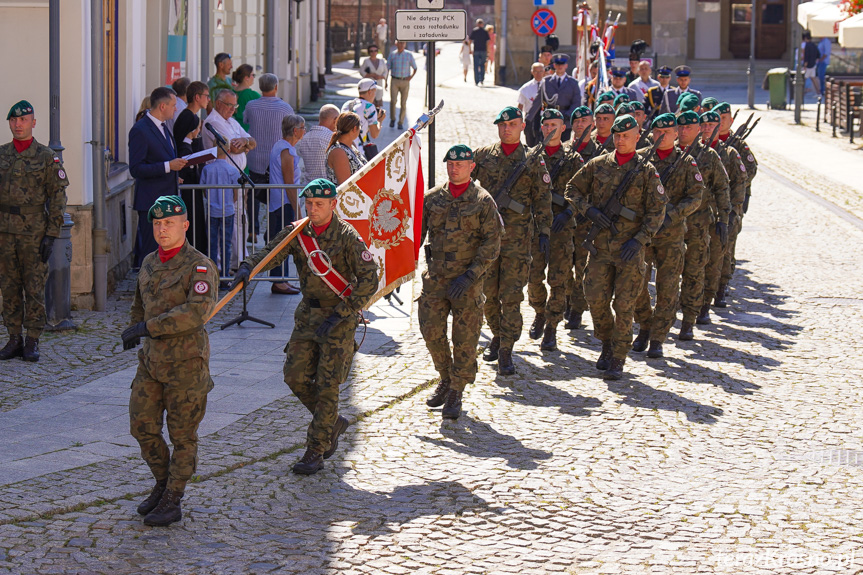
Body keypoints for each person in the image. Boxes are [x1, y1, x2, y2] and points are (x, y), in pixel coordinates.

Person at [231, 178, 378, 475]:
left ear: (333, 205)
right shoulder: (298, 233)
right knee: (294, 377)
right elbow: (271, 254)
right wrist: (248, 266)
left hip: (338, 320)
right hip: (307, 316)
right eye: (308, 204)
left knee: (327, 387)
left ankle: (316, 448)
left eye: (319, 204)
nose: (312, 209)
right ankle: (333, 422)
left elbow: (370, 280)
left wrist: (343, 312)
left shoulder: (348, 237)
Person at [121, 195, 219, 527]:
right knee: (142, 426)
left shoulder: (201, 266)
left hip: (186, 364)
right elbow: (140, 304)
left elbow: (195, 313)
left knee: (182, 435)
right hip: (150, 361)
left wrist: (147, 327)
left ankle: (173, 497)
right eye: (158, 224)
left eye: (170, 224)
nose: (163, 230)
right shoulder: (148, 262)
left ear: (185, 225)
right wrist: (135, 329)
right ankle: (163, 483)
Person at [564, 114, 665, 380]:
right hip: (599, 247)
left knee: (624, 305)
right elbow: (571, 189)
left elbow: (657, 211)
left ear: (637, 136)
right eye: (617, 136)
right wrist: (589, 210)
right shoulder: (598, 165)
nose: (620, 140)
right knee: (595, 299)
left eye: (626, 136)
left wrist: (640, 239)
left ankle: (618, 356)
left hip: (629, 250)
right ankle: (606, 342)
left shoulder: (646, 171)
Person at [420, 144, 502, 419]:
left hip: (467, 281)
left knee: (465, 340)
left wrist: (471, 275)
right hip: (436, 278)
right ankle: (445, 377)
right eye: (450, 164)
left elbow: (492, 243)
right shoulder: (432, 198)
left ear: (471, 167)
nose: (454, 169)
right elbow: (415, 236)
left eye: (460, 164)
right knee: (431, 331)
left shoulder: (482, 200)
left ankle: (456, 390)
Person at [472, 106, 552, 375]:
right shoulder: (483, 156)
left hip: (518, 239)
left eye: (512, 124)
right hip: (487, 239)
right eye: (502, 125)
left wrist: (544, 232)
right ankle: (496, 334)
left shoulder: (532, 159)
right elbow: (464, 186)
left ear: (521, 127)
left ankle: (506, 349)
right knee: (489, 297)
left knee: (512, 297)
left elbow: (542, 198)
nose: (506, 129)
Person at [0, 100, 69, 362]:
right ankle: (14, 337)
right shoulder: (2, 154)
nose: (18, 125)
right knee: (8, 286)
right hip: (5, 233)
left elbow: (58, 197)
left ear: (33, 123)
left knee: (34, 287)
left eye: (24, 120)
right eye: (14, 121)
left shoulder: (46, 157)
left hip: (34, 234)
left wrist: (52, 234)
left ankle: (32, 340)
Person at [631, 113, 704, 358]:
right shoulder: (639, 159)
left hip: (671, 235)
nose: (662, 136)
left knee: (668, 287)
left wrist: (671, 214)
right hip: (642, 233)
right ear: (652, 134)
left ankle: (658, 337)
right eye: (657, 132)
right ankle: (644, 324)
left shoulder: (686, 162)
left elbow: (695, 197)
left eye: (668, 132)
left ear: (676, 134)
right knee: (637, 284)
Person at [526, 109, 585, 351]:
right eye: (546, 124)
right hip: (536, 226)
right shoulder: (531, 157)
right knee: (533, 277)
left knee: (559, 280)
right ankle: (540, 311)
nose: (550, 128)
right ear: (541, 128)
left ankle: (551, 326)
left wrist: (569, 212)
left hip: (561, 228)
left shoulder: (574, 159)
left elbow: (584, 193)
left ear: (563, 128)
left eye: (555, 124)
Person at [675, 110, 730, 341]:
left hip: (699, 225)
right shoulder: (667, 153)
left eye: (690, 127)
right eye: (681, 127)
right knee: (667, 276)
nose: (684, 131)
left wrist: (725, 220)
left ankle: (690, 318)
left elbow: (722, 188)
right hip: (670, 225)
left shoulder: (709, 156)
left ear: (698, 130)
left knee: (695, 272)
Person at [698, 110, 746, 327]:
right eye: (704, 125)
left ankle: (709, 299)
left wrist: (733, 212)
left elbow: (740, 182)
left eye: (712, 125)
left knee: (716, 259)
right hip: (695, 217)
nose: (707, 128)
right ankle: (692, 300)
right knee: (693, 262)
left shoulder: (729, 154)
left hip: (720, 215)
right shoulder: (691, 152)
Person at [129, 87, 187, 267]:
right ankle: (147, 292)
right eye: (172, 105)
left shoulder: (163, 126)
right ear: (162, 106)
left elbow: (162, 157)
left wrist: (174, 172)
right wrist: (169, 166)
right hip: (151, 203)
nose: (175, 109)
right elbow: (136, 168)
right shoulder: (141, 129)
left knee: (166, 252)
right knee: (150, 253)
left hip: (167, 199)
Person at [203, 89, 257, 269]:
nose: (233, 109)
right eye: (230, 105)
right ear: (218, 104)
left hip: (237, 176)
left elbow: (253, 142)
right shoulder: (212, 122)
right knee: (229, 221)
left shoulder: (232, 121)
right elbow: (229, 149)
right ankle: (229, 262)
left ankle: (241, 257)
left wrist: (245, 142)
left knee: (241, 218)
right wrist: (245, 145)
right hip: (223, 178)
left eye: (235, 106)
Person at [714, 101, 756, 309]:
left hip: (731, 203)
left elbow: (750, 169)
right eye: (717, 119)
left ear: (730, 120)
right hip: (708, 206)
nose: (721, 122)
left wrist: (734, 190)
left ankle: (722, 285)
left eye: (724, 118)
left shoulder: (737, 145)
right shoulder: (703, 143)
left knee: (726, 247)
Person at [244, 73, 295, 241]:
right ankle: (270, 232)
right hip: (275, 158)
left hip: (254, 157)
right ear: (276, 87)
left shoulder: (251, 105)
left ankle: (253, 229)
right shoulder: (285, 108)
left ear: (260, 87)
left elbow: (245, 120)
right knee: (274, 196)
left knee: (253, 193)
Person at [565, 106, 597, 330]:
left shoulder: (600, 153)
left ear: (592, 124)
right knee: (563, 264)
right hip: (564, 219)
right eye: (576, 121)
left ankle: (577, 308)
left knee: (581, 266)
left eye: (584, 121)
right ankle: (566, 301)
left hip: (587, 219)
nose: (579, 124)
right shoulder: (564, 151)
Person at [267, 114, 306, 295]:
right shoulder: (287, 151)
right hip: (283, 202)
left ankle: (283, 279)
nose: (304, 130)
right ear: (295, 130)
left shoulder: (281, 146)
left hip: (279, 201)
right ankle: (278, 280)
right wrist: (298, 210)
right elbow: (289, 183)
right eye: (303, 127)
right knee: (282, 242)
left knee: (284, 241)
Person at [173, 81, 209, 253]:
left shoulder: (192, 117)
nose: (209, 100)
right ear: (197, 97)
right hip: (186, 174)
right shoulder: (189, 117)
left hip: (191, 172)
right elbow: (183, 146)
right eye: (206, 96)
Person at [200, 146, 239, 286]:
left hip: (211, 210)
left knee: (212, 245)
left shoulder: (207, 170)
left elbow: (204, 191)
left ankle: (212, 275)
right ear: (228, 151)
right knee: (226, 245)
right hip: (227, 210)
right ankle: (224, 276)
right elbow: (235, 193)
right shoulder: (232, 170)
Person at [532, 53, 581, 141]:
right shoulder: (546, 82)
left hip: (565, 120)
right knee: (547, 144)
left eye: (562, 64)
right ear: (554, 65)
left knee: (563, 145)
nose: (560, 67)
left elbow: (576, 102)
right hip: (549, 118)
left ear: (566, 65)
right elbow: (537, 101)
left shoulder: (573, 83)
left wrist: (568, 115)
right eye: (558, 64)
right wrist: (529, 118)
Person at [297, 104, 339, 184]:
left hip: (309, 188)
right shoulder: (332, 138)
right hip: (327, 189)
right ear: (335, 120)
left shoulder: (305, 138)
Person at [341, 78, 384, 154]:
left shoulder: (347, 104)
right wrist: (380, 121)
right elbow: (374, 134)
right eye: (374, 92)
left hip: (342, 147)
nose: (375, 95)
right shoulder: (369, 107)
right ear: (370, 92)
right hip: (357, 150)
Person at [327, 112, 367, 185]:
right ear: (355, 128)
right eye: (360, 128)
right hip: (349, 196)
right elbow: (345, 186)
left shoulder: (351, 145)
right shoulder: (338, 152)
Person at [387, 42, 417, 130]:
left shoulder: (408, 55)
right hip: (395, 80)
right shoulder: (392, 55)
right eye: (399, 43)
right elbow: (387, 68)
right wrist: (385, 81)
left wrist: (410, 77)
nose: (401, 45)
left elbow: (415, 67)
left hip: (405, 81)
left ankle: (401, 122)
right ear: (396, 44)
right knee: (393, 101)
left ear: (404, 45)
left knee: (403, 103)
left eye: (402, 43)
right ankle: (392, 119)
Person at [518, 63, 546, 147]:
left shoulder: (548, 85)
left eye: (540, 71)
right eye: (536, 71)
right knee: (530, 142)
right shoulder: (526, 88)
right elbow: (520, 105)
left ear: (544, 71)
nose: (538, 74)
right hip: (531, 118)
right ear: (532, 72)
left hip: (544, 117)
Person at [232, 64, 260, 131]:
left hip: (234, 128)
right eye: (252, 75)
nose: (253, 78)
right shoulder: (252, 95)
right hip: (248, 130)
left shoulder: (230, 92)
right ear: (246, 77)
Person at [469, 19, 491, 85]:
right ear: (482, 24)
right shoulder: (485, 32)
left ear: (477, 24)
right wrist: (488, 50)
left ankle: (476, 80)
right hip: (483, 50)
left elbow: (470, 40)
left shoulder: (474, 31)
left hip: (476, 50)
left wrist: (470, 49)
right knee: (482, 65)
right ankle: (481, 79)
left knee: (476, 66)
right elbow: (488, 42)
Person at [802, 31, 821, 97]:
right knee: (813, 78)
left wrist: (805, 65)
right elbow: (818, 54)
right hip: (813, 64)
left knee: (803, 79)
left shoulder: (807, 45)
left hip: (808, 65)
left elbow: (806, 56)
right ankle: (818, 92)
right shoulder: (814, 45)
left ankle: (802, 92)